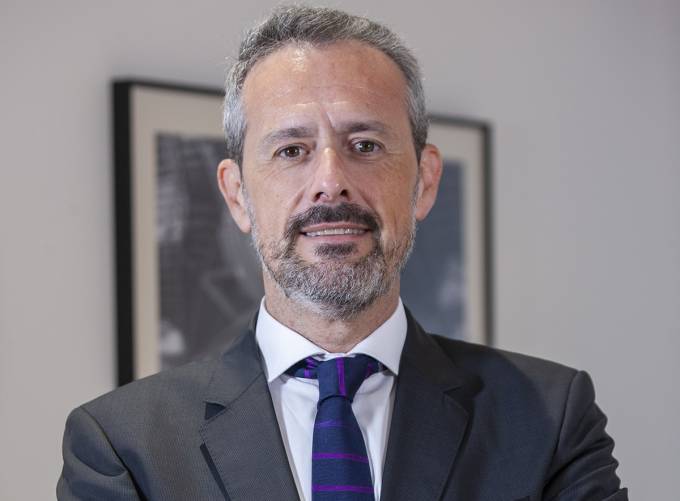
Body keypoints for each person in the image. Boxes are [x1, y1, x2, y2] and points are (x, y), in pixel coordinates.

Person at [57, 6, 627, 500]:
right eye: (291, 150)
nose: (331, 182)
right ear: (236, 195)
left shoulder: (550, 419)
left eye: (365, 145)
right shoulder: (122, 446)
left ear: (425, 181)